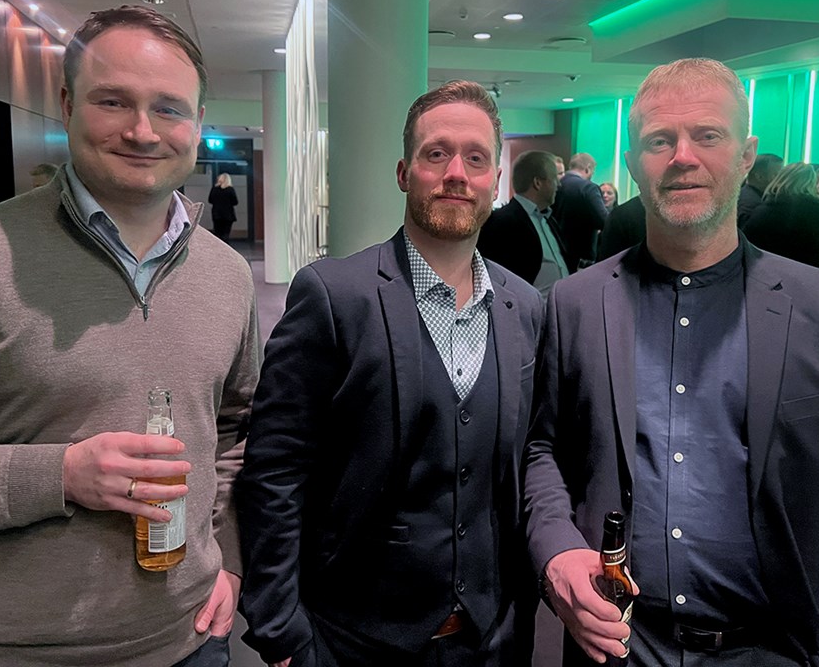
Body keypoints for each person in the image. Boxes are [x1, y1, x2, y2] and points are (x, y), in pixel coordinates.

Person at [0, 6, 260, 666]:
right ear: (67, 105)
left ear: (197, 123)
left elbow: (238, 433)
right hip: (7, 654)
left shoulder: (228, 275)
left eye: (169, 109)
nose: (142, 131)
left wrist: (229, 559)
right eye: (113, 101)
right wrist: (59, 475)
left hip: (190, 641)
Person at [524, 57, 819, 667]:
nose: (683, 157)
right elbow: (543, 448)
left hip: (776, 650)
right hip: (617, 647)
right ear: (632, 161)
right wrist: (557, 551)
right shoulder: (574, 304)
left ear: (746, 155)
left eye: (707, 135)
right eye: (659, 140)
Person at [239, 80, 544, 667]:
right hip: (354, 638)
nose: (456, 173)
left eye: (476, 158)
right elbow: (275, 468)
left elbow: (527, 463)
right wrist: (279, 629)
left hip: (491, 637)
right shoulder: (334, 296)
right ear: (405, 173)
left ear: (496, 181)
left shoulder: (526, 308)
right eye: (437, 154)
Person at [478, 149, 573, 294]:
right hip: (528, 307)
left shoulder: (549, 219)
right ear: (537, 183)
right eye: (554, 179)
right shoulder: (501, 223)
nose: (559, 185)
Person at [742, 162, 819, 271]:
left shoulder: (762, 209)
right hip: (808, 277)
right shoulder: (815, 211)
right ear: (811, 182)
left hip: (769, 274)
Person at [552, 152, 607, 269]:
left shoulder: (554, 185)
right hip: (580, 259)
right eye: (592, 172)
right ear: (587, 168)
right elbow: (604, 220)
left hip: (554, 253)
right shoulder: (588, 188)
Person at [735, 152, 782, 227]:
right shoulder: (751, 206)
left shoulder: (745, 195)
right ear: (759, 177)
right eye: (776, 175)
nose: (781, 180)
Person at [208, 172, 239, 243]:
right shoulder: (230, 189)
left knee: (218, 232)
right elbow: (235, 202)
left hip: (216, 214)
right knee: (226, 233)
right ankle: (225, 245)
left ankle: (218, 246)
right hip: (228, 215)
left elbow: (210, 200)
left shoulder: (214, 189)